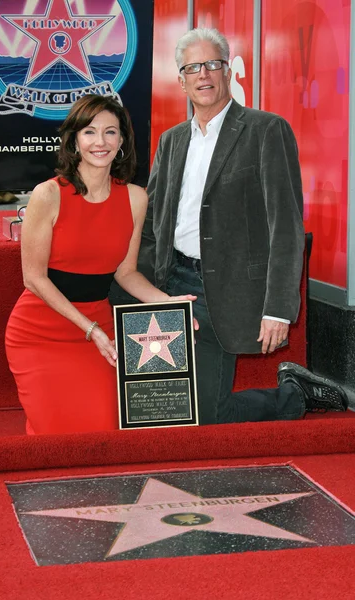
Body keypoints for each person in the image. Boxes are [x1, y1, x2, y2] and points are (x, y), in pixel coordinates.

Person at [111, 27, 348, 424]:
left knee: (204, 413)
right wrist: (139, 289)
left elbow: (286, 227)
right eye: (193, 68)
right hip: (172, 283)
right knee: (157, 408)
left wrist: (278, 307)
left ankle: (294, 395)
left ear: (227, 72)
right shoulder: (171, 141)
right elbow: (153, 222)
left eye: (213, 65)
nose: (203, 75)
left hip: (225, 289)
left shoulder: (265, 131)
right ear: (181, 79)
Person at [5, 94, 195, 434]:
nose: (100, 142)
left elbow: (126, 272)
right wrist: (88, 329)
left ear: (122, 140)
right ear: (75, 140)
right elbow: (33, 279)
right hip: (39, 333)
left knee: (103, 431)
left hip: (99, 334)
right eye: (90, 132)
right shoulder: (47, 194)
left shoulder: (136, 198)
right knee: (54, 436)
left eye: (110, 132)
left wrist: (168, 303)